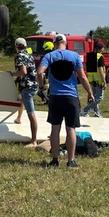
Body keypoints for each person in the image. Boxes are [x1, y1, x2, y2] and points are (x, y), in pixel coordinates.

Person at [37, 34, 94, 167]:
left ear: (54, 43)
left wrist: (41, 87)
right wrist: (90, 92)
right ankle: (71, 160)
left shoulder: (49, 56)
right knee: (71, 129)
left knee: (55, 129)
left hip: (55, 97)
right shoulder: (74, 56)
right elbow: (83, 77)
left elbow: (39, 72)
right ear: (66, 43)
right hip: (71, 97)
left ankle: (55, 160)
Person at [10, 37, 38, 146]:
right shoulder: (29, 55)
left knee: (31, 114)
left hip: (27, 87)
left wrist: (12, 74)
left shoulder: (19, 56)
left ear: (16, 46)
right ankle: (18, 118)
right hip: (33, 85)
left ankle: (34, 141)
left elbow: (23, 71)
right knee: (22, 99)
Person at [81, 40, 107, 118]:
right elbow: (100, 70)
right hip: (99, 80)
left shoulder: (91, 56)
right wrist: (104, 81)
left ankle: (97, 114)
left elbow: (87, 68)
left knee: (94, 97)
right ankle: (85, 110)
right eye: (102, 48)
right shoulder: (100, 57)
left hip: (92, 80)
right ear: (100, 49)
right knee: (99, 98)